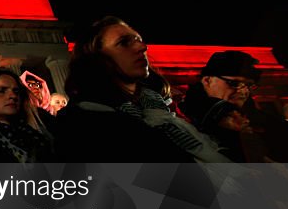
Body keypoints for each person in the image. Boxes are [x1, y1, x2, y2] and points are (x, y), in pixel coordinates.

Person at [55, 16, 225, 162]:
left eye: (138, 40)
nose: (142, 47)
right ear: (94, 58)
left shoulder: (161, 109)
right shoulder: (86, 126)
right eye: (124, 43)